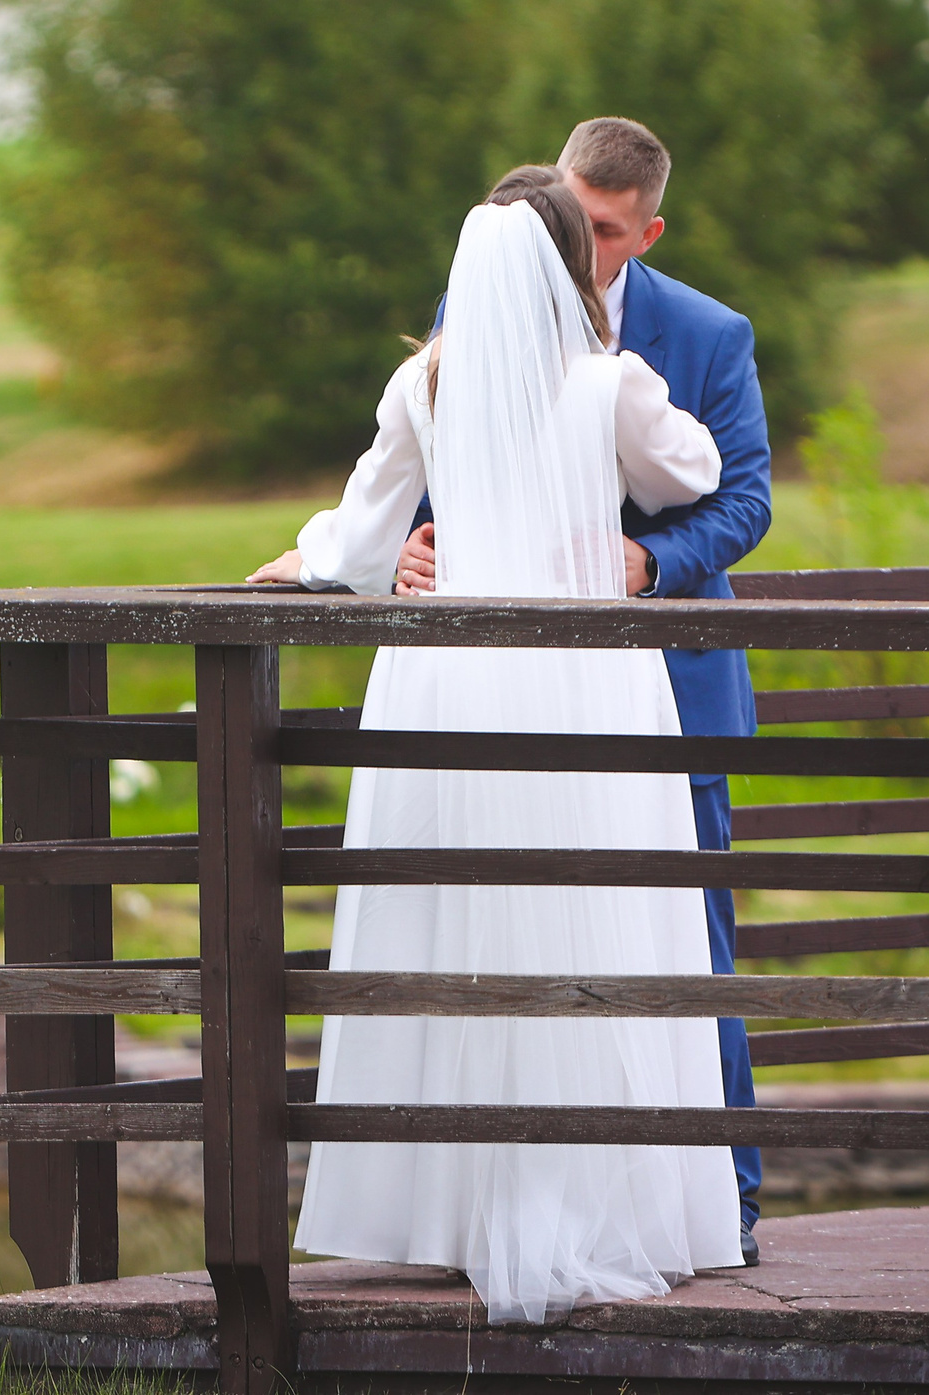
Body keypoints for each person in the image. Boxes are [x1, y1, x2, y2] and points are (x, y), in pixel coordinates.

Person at [247, 167, 741, 1323]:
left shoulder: (423, 382)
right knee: (595, 913)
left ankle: (451, 1210)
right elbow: (696, 472)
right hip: (577, 681)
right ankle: (599, 1195)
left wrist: (316, 555)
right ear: (575, 260)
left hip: (444, 679)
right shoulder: (609, 383)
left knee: (452, 912)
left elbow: (365, 535)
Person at [388, 120, 774, 1256]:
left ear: (644, 232)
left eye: (600, 230)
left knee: (687, 947)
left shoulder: (705, 335)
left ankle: (724, 1203)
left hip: (669, 686)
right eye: (564, 213)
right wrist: (420, 544)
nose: (567, 241)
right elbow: (450, 465)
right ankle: (521, 1209)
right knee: (513, 941)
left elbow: (742, 500)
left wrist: (648, 563)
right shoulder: (481, 310)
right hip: (515, 698)